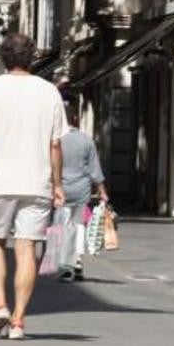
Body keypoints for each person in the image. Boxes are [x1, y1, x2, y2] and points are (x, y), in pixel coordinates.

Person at [0, 33, 66, 341]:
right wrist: (58, 183)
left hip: (0, 181)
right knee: (27, 248)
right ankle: (20, 320)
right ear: (32, 57)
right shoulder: (49, 91)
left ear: (3, 58)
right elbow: (55, 144)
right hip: (37, 182)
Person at [56, 110, 108, 282]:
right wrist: (102, 190)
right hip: (81, 189)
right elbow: (95, 169)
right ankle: (77, 259)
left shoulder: (56, 141)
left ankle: (66, 265)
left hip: (61, 188)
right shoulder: (86, 141)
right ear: (76, 120)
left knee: (64, 225)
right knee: (79, 225)